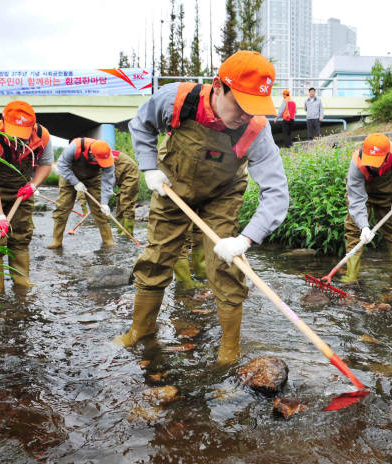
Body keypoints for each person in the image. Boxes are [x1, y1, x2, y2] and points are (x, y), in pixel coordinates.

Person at [114, 51, 289, 366]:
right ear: (218, 86)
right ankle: (140, 331)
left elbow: (276, 192)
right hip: (172, 187)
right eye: (241, 105)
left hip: (223, 194)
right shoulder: (177, 100)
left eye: (254, 108)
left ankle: (230, 349)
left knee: (225, 266)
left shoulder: (257, 130)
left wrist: (245, 240)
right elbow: (140, 125)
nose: (246, 116)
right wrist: (149, 167)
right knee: (156, 257)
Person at [0, 101, 53, 293]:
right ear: (4, 122)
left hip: (20, 184)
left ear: (32, 126)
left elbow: (46, 164)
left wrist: (32, 186)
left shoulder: (43, 136)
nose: (19, 139)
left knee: (21, 234)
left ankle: (22, 285)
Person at [342, 133, 392, 284]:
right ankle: (350, 278)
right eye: (369, 161)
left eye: (376, 161)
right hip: (361, 193)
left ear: (388, 155)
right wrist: (364, 226)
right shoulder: (357, 162)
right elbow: (356, 199)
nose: (372, 165)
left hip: (389, 194)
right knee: (354, 231)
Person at [47, 138, 115, 249]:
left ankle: (108, 242)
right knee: (62, 208)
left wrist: (105, 202)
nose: (100, 163)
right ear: (91, 153)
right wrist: (75, 182)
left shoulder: (108, 156)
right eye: (98, 160)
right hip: (69, 176)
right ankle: (57, 241)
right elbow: (61, 165)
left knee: (100, 210)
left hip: (93, 179)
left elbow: (107, 181)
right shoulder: (74, 147)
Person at [112, 149, 140, 236]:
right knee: (119, 204)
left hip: (130, 173)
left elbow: (109, 178)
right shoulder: (91, 158)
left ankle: (128, 233)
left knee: (126, 203)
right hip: (121, 174)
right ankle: (120, 230)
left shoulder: (102, 154)